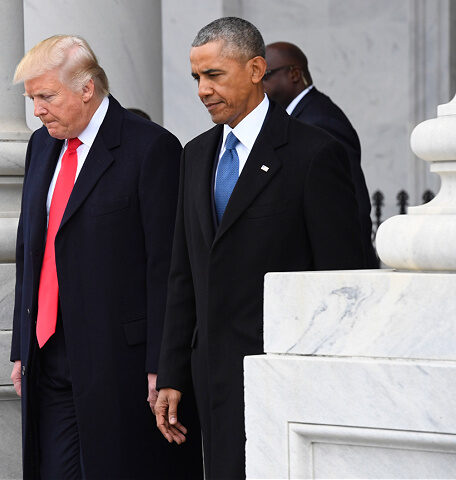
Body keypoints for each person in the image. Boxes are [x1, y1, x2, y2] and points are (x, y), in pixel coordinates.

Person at [154, 17, 366, 479]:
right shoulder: (194, 155)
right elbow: (183, 272)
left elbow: (344, 278)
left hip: (285, 376)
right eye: (196, 78)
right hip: (211, 377)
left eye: (214, 75)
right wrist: (170, 371)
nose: (202, 90)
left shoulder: (314, 153)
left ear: (255, 69)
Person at [10, 35, 202, 479]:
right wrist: (22, 345)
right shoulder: (41, 146)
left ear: (86, 88)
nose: (37, 110)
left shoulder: (150, 147)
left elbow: (167, 266)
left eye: (46, 96)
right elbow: (30, 250)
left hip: (123, 364)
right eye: (31, 98)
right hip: (49, 355)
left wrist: (162, 364)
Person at [263, 41, 378, 268]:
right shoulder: (299, 117)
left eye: (265, 76)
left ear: (294, 73)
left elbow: (350, 206)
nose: (258, 86)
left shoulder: (320, 122)